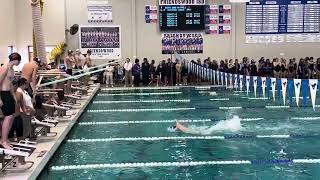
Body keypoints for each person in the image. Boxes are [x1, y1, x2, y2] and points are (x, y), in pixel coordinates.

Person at [0, 53, 21, 149]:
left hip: (9, 94)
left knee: (12, 116)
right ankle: (3, 141)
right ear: (16, 60)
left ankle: (5, 139)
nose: (19, 63)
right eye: (19, 61)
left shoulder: (11, 69)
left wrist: (13, 96)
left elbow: (11, 84)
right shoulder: (5, 68)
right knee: (8, 117)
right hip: (3, 94)